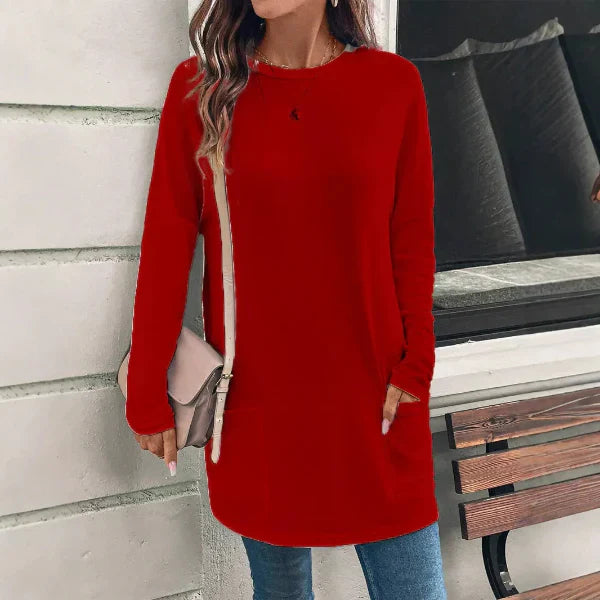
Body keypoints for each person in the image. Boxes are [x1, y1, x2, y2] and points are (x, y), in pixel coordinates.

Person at [124, 0, 447, 598]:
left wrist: (417, 367)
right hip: (258, 405)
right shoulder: (204, 90)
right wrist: (146, 389)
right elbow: (167, 244)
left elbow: (411, 243)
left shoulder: (392, 85)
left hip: (375, 399)